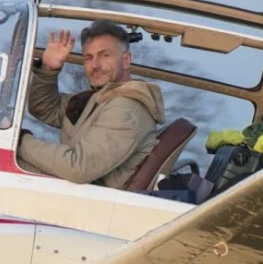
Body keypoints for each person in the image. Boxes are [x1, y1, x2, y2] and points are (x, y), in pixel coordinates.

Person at [18, 19, 165, 188]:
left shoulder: (125, 110)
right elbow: (44, 109)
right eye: (89, 58)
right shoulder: (100, 99)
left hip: (92, 203)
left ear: (126, 60)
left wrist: (20, 141)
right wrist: (48, 69)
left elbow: (78, 168)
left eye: (105, 55)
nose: (95, 65)